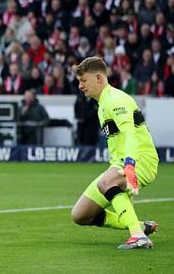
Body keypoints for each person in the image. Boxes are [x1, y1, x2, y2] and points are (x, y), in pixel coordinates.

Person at [70, 57, 159, 250]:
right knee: (80, 215)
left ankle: (138, 236)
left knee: (106, 182)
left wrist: (129, 164)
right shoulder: (103, 104)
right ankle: (140, 226)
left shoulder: (115, 99)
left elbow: (130, 134)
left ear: (99, 78)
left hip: (140, 159)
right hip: (120, 162)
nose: (80, 86)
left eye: (83, 80)